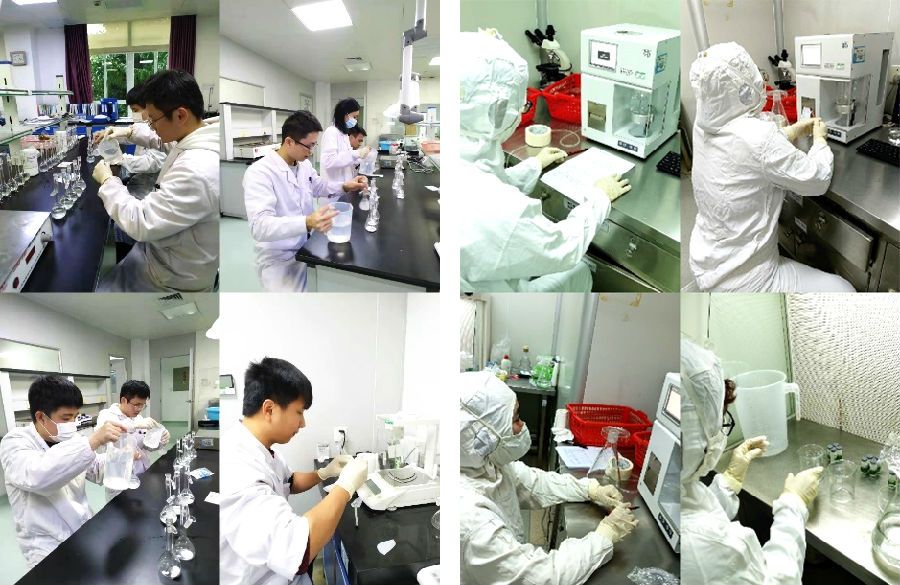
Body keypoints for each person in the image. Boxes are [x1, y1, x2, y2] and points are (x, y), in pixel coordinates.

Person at [459, 30, 631, 292]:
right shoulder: (503, 212)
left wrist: (534, 165)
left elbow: (490, 184)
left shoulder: (462, 155)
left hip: (480, 271)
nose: (521, 111)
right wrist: (600, 197)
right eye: (520, 105)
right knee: (580, 269)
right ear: (498, 109)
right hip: (500, 295)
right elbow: (563, 248)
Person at [688, 42, 854, 292]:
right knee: (844, 289)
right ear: (743, 86)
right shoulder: (758, 137)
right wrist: (820, 141)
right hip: (748, 280)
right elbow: (816, 179)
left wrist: (792, 130)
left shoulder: (703, 126)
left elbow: (741, 150)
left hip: (708, 261)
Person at [460, 371, 638, 584]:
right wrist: (604, 536)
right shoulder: (471, 519)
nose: (522, 425)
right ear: (483, 438)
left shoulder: (483, 464)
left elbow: (532, 483)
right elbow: (542, 577)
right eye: (515, 419)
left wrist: (589, 489)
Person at [680, 338, 825, 585]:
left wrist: (728, 482)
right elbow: (779, 580)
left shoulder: (679, 482)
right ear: (694, 437)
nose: (720, 430)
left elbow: (696, 513)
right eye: (720, 420)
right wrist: (793, 504)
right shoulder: (709, 549)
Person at [220, 358, 370, 585]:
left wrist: (324, 473)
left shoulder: (260, 447)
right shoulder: (238, 469)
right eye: (299, 412)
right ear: (269, 409)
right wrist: (346, 486)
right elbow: (300, 550)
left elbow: (288, 481)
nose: (303, 423)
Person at [91, 69, 220, 292]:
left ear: (180, 115)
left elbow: (140, 222)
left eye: (152, 119)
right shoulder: (197, 134)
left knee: (100, 294)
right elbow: (164, 141)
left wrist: (108, 181)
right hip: (165, 255)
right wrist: (126, 132)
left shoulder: (197, 170)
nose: (150, 124)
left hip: (173, 281)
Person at [0, 376, 128, 567]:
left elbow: (95, 469)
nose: (73, 424)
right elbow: (39, 477)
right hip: (45, 544)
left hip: (81, 528)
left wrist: (121, 457)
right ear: (41, 417)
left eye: (75, 417)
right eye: (66, 418)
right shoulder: (14, 442)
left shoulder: (71, 438)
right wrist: (93, 441)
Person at [243, 110, 368, 292]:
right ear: (289, 142)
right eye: (308, 146)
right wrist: (307, 222)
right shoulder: (260, 173)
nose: (311, 152)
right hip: (278, 259)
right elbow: (260, 227)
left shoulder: (304, 164)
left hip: (305, 249)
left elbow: (318, 186)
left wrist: (346, 185)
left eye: (314, 145)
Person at [96, 380, 171, 499]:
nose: (139, 408)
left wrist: (161, 440)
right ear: (124, 400)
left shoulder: (138, 418)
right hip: (119, 481)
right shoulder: (106, 415)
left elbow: (147, 446)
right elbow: (108, 434)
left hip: (142, 475)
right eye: (137, 404)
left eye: (143, 405)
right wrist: (134, 425)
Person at [320, 98, 373, 191]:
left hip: (344, 187)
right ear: (345, 114)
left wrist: (362, 158)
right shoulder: (331, 132)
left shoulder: (343, 134)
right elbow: (329, 161)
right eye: (354, 117)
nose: (356, 121)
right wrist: (357, 153)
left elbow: (347, 159)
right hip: (332, 189)